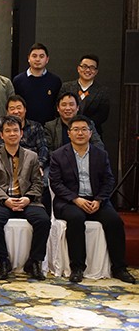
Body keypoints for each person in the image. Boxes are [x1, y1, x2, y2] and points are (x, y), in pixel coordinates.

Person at [50, 115, 135, 284]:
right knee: (76, 218)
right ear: (69, 133)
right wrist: (76, 199)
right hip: (69, 201)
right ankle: (77, 267)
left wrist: (99, 200)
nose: (80, 133)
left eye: (84, 129)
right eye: (76, 129)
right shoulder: (58, 155)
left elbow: (109, 180)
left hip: (96, 200)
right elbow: (56, 183)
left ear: (90, 133)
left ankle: (119, 267)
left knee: (115, 221)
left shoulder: (100, 154)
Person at [0, 115, 50, 281]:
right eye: (8, 131)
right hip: (3, 201)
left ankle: (34, 262)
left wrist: (28, 198)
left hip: (27, 201)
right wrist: (5, 199)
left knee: (43, 220)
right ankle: (3, 260)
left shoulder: (32, 156)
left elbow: (38, 182)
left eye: (15, 130)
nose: (12, 134)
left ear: (21, 133)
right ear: (1, 135)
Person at [59, 54, 109, 137]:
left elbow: (102, 115)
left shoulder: (102, 91)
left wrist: (83, 127)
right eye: (84, 66)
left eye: (92, 67)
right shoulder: (66, 87)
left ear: (96, 72)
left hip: (92, 133)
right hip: (66, 131)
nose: (88, 70)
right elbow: (59, 108)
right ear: (78, 69)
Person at [12, 43, 62, 125]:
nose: (38, 59)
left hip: (49, 127)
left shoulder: (55, 81)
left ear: (47, 59)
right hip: (26, 127)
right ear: (28, 58)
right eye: (34, 56)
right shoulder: (18, 80)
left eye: (41, 56)